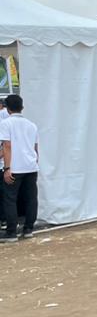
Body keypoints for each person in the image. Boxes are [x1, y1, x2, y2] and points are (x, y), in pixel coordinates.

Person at [0, 95, 39, 241]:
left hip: (15, 167)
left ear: (7, 108)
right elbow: (35, 148)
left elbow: (7, 146)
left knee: (10, 199)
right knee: (31, 198)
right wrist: (35, 163)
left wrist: (7, 168)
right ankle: (28, 228)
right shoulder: (32, 125)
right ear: (22, 107)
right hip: (31, 167)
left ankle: (11, 232)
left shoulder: (6, 124)